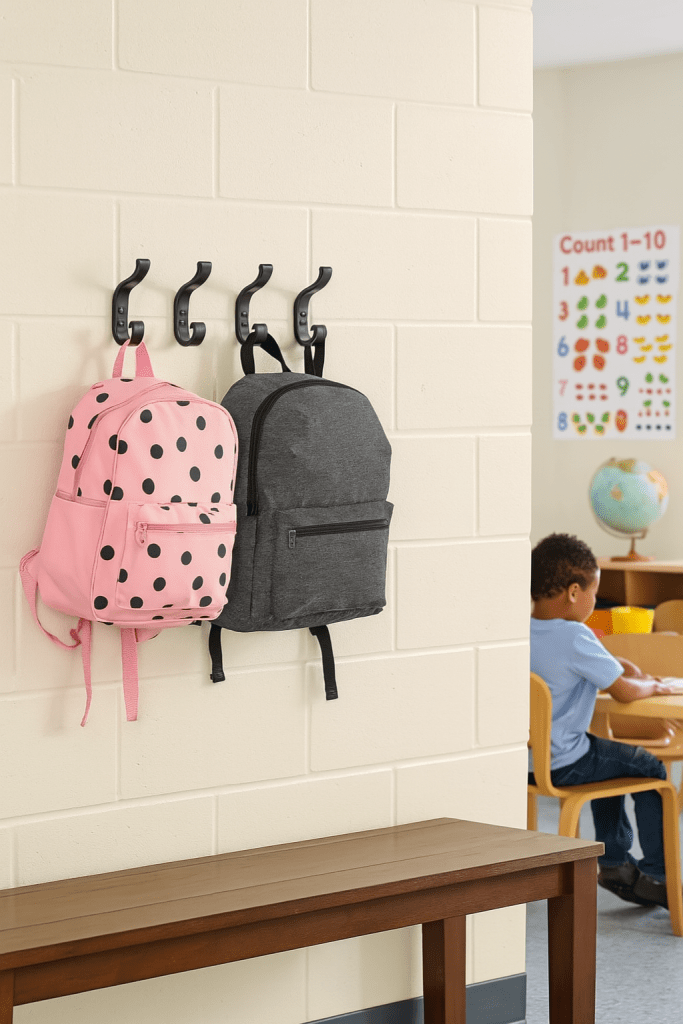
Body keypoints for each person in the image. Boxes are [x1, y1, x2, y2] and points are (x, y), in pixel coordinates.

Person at [529, 532, 679, 909]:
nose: (595, 602)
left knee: (607, 761)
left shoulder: (523, 630)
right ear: (574, 591)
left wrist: (617, 665)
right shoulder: (575, 634)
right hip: (566, 761)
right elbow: (626, 691)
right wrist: (656, 687)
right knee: (649, 766)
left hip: (529, 764)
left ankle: (615, 864)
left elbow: (596, 666)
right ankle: (656, 874)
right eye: (595, 593)